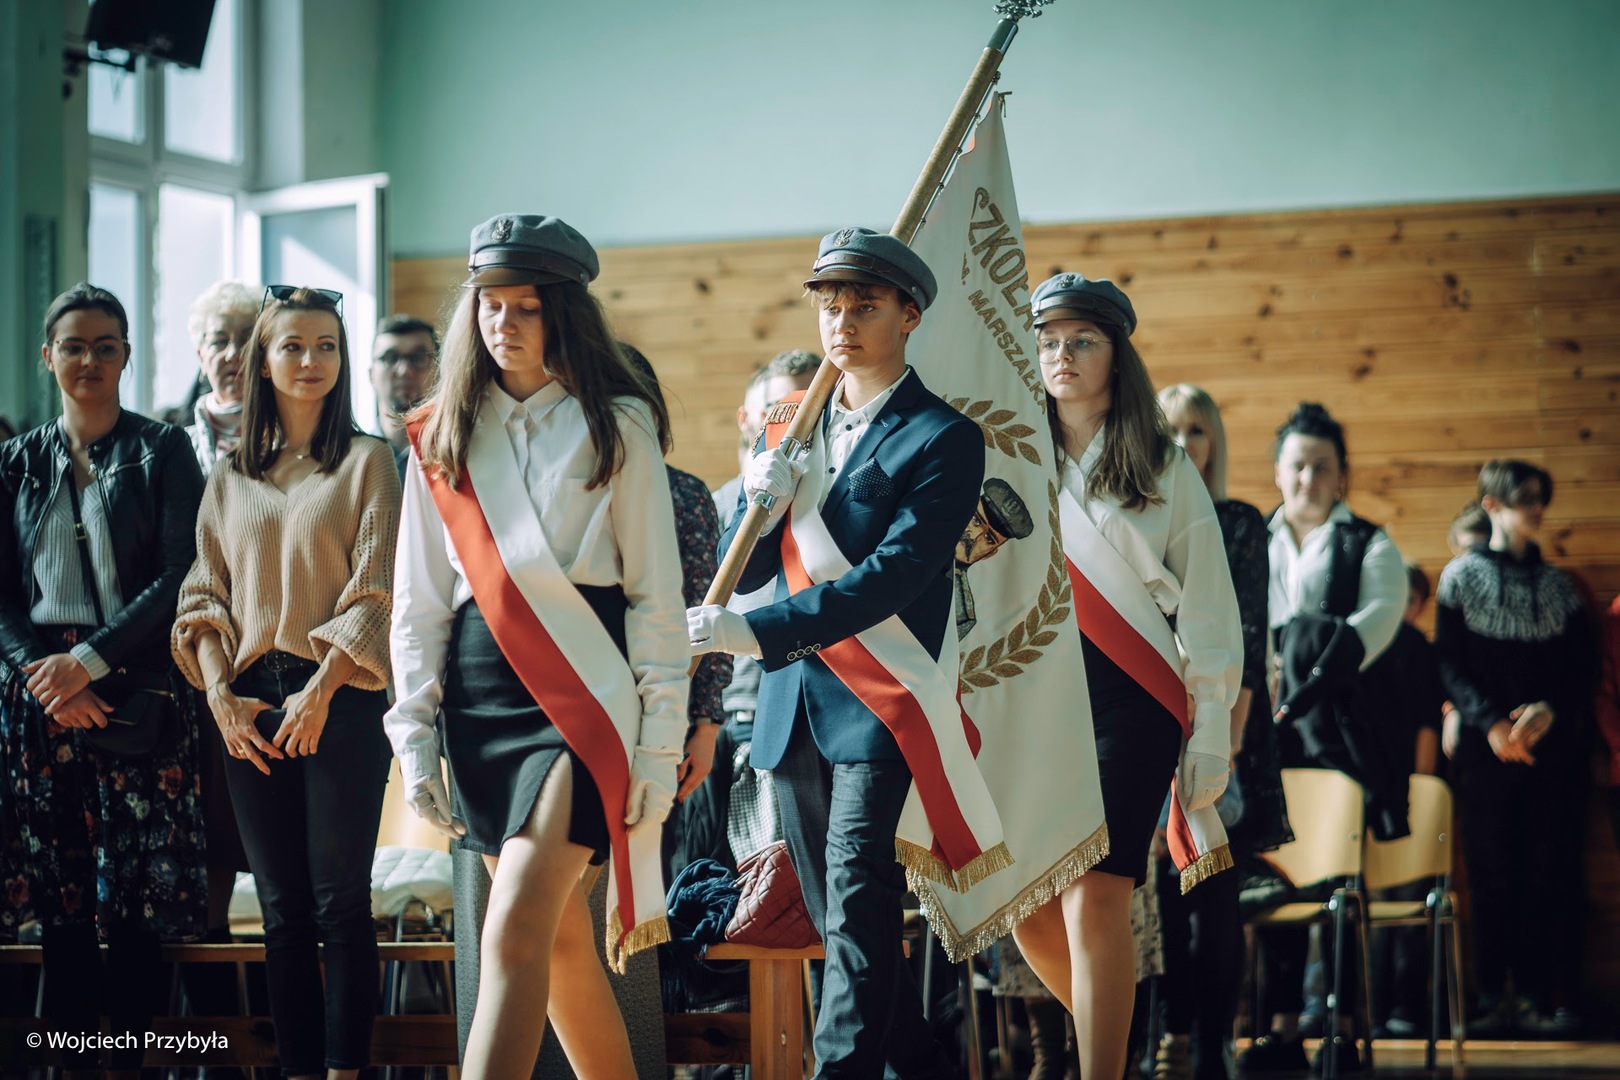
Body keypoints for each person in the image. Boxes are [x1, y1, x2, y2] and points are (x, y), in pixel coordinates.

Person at [386, 215, 686, 1080]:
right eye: (490, 303)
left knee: (513, 927)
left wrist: (659, 743)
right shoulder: (439, 433)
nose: (503, 323)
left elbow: (655, 598)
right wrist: (414, 737)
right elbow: (419, 605)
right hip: (481, 700)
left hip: (582, 699)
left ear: (564, 313)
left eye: (526, 306)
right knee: (556, 944)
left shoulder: (618, 424)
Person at [689, 227, 994, 1077]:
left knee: (859, 899)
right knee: (839, 923)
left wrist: (758, 634)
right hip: (793, 709)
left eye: (865, 305)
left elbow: (895, 575)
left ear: (910, 315)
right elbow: (748, 568)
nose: (843, 322)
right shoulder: (790, 427)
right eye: (830, 306)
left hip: (879, 706)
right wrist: (754, 507)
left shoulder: (943, 436)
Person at [996, 276, 1237, 1080]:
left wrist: (1211, 727)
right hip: (1033, 693)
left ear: (1116, 355)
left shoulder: (1165, 466)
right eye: (1048, 341)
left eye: (1082, 341)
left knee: (1095, 892)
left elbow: (1208, 606)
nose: (1061, 355)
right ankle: (1116, 1049)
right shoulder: (1009, 455)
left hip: (1131, 695)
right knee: (1025, 904)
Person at [172, 285, 400, 1080]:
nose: (311, 361)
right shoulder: (231, 475)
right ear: (262, 362)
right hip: (245, 704)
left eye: (326, 346)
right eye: (293, 346)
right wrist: (219, 697)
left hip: (341, 696)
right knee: (281, 911)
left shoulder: (370, 461)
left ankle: (345, 1071)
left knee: (340, 903)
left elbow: (377, 592)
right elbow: (202, 596)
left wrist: (322, 689)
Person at [0, 283, 208, 1072]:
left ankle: (126, 1063)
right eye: (74, 346)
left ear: (125, 355)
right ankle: (74, 1064)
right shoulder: (15, 462)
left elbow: (181, 572)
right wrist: (46, 676)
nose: (89, 359)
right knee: (62, 901)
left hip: (136, 682)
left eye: (105, 346)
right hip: (39, 695)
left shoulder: (164, 450)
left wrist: (87, 665)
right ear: (47, 356)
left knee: (134, 905)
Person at [1243, 401, 1409, 1075]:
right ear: (1278, 472)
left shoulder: (1368, 542)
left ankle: (1343, 1028)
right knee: (1276, 876)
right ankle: (1282, 1030)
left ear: (1342, 476)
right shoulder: (1252, 538)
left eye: (1322, 467)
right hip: (1266, 735)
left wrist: (1307, 668)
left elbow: (1378, 620)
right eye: (1298, 465)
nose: (1308, 478)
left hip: (1337, 732)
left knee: (1339, 881)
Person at [1152, 383, 1288, 1080]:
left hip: (1223, 724)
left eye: (1196, 431)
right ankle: (1172, 1038)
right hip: (1150, 725)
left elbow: (1250, 634)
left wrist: (1224, 741)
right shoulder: (1138, 518)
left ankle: (1213, 1047)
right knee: (1164, 902)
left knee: (1214, 896)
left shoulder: (1238, 521)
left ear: (1214, 443)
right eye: (1170, 429)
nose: (1183, 443)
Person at [1436, 459, 1594, 1038]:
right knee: (1489, 873)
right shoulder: (1459, 577)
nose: (1537, 509)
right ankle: (1487, 997)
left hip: (1551, 755)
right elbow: (1448, 663)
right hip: (1484, 754)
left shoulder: (1559, 587)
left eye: (1540, 498)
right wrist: (1488, 724)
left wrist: (1550, 709)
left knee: (1544, 871)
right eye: (1525, 498)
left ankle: (1536, 995)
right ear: (1493, 504)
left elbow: (1583, 670)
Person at [712, 349, 820, 527]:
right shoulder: (718, 506)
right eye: (781, 406)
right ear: (746, 419)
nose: (801, 417)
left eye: (814, 402)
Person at [184, 281, 260, 475]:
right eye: (219, 341)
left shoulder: (293, 436)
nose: (233, 354)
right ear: (201, 358)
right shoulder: (178, 446)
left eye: (247, 340)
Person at [372, 314, 441, 478]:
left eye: (418, 358)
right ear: (371, 375)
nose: (404, 370)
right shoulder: (352, 457)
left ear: (439, 373)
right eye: (390, 358)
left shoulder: (460, 456)